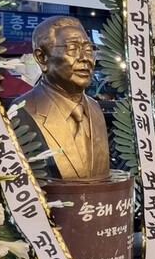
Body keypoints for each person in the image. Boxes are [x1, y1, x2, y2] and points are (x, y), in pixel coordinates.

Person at [18, 16, 110, 181]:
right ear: (42, 57)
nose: (85, 58)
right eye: (72, 48)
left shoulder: (95, 109)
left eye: (89, 49)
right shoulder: (22, 111)